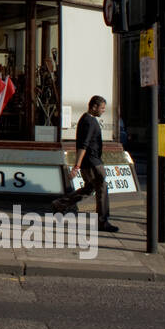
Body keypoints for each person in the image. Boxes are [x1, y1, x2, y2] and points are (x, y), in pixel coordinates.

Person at [51, 95, 116, 232]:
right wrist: (77, 166)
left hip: (91, 161)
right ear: (94, 106)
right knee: (102, 188)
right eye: (102, 108)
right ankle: (103, 221)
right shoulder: (88, 121)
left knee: (89, 189)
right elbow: (83, 145)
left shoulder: (87, 119)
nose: (103, 110)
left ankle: (60, 204)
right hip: (92, 162)